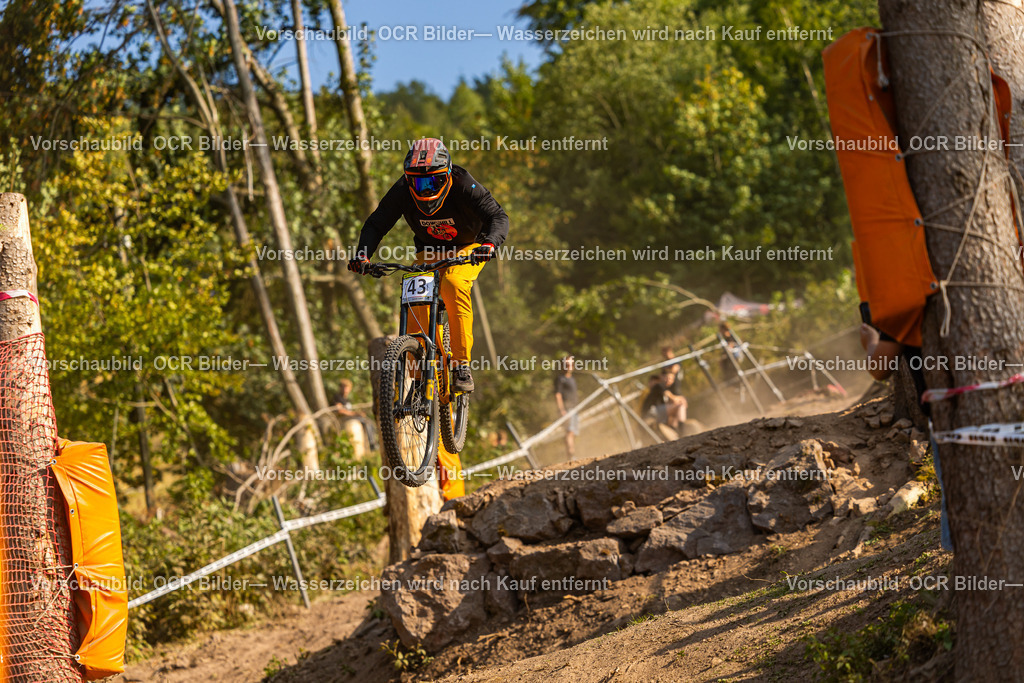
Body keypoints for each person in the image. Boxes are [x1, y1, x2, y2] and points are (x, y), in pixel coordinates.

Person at [349, 137, 509, 395]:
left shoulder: (463, 183)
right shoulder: (402, 190)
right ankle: (421, 377)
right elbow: (376, 223)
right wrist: (362, 256)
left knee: (453, 283)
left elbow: (497, 216)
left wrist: (489, 244)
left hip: (469, 247)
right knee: (415, 294)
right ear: (408, 179)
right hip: (430, 251)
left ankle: (460, 365)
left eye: (433, 181)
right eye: (418, 181)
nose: (425, 188)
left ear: (446, 175)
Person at [859, 314, 952, 552]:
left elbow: (879, 369)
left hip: (948, 416)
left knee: (957, 497)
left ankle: (969, 575)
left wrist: (871, 341)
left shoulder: (905, 305)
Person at [332, 379, 378, 452]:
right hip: (344, 419)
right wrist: (355, 413)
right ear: (340, 388)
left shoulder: (346, 399)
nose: (345, 389)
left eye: (346, 387)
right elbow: (340, 411)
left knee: (369, 422)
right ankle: (372, 444)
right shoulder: (338, 397)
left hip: (350, 417)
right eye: (343, 387)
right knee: (367, 422)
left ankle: (372, 442)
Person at [554, 355, 579, 457]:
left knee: (573, 433)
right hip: (567, 409)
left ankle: (571, 453)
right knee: (570, 431)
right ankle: (571, 455)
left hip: (575, 409)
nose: (569, 366)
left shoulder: (572, 379)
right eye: (567, 364)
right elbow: (558, 394)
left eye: (571, 364)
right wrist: (561, 409)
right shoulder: (560, 379)